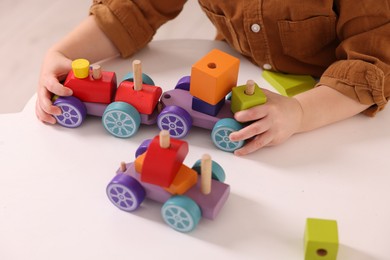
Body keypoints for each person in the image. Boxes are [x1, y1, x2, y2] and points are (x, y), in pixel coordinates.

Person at [35, 0, 390, 156]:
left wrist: (300, 113)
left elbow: (372, 63)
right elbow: (133, 10)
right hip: (239, 71)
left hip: (334, 102)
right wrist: (65, 53)